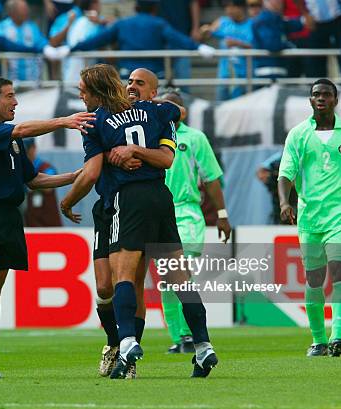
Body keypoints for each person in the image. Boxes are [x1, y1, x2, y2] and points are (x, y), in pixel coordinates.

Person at [60, 63, 219, 379]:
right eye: (129, 81)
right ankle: (203, 346)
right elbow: (169, 147)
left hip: (126, 199)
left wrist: (66, 202)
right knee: (178, 278)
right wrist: (128, 151)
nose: (132, 86)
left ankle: (127, 343)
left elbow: (91, 172)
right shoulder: (159, 115)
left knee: (125, 277)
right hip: (160, 197)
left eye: (83, 91)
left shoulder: (96, 121)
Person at [0, 74, 95, 379]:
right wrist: (64, 121)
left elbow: (33, 181)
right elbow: (20, 128)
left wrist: (78, 175)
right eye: (9, 96)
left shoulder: (15, 141)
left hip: (9, 216)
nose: (15, 101)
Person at [125, 68, 232, 354]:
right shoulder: (146, 132)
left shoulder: (196, 138)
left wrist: (221, 215)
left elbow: (211, 178)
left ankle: (192, 336)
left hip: (187, 213)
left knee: (178, 274)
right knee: (165, 281)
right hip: (155, 209)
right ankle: (181, 338)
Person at [278, 78, 341, 357]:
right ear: (310, 100)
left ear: (336, 99)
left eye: (326, 94)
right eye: (316, 94)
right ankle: (318, 340)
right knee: (314, 279)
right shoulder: (298, 134)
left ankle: (338, 337)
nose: (321, 98)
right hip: (310, 218)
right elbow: (285, 173)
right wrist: (285, 202)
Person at [70, 0, 215, 78]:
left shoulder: (122, 24)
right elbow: (178, 39)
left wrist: (71, 48)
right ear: (154, 9)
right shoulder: (159, 24)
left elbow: (97, 40)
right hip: (154, 78)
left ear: (136, 7)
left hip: (128, 78)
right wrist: (198, 47)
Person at [200, 0, 253, 100]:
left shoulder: (252, 24)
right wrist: (204, 31)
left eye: (231, 7)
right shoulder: (222, 22)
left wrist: (238, 43)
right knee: (220, 108)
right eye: (226, 7)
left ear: (241, 8)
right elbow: (205, 35)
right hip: (224, 76)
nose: (228, 10)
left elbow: (257, 46)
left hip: (245, 76)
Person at [0, 0, 48, 82]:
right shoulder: (0, 28)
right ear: (12, 13)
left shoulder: (32, 27)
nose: (27, 12)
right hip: (8, 82)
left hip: (32, 81)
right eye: (23, 9)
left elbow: (42, 44)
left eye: (26, 9)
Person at [251, 0, 303, 81]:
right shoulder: (264, 19)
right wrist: (290, 46)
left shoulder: (277, 18)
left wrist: (305, 19)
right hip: (267, 72)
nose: (279, 2)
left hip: (278, 70)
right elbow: (272, 45)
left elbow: (291, 24)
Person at [23, 139, 62, 227]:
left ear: (33, 149)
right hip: (30, 221)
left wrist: (32, 183)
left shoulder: (46, 167)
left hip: (49, 221)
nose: (24, 155)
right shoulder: (22, 169)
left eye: (26, 151)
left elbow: (49, 188)